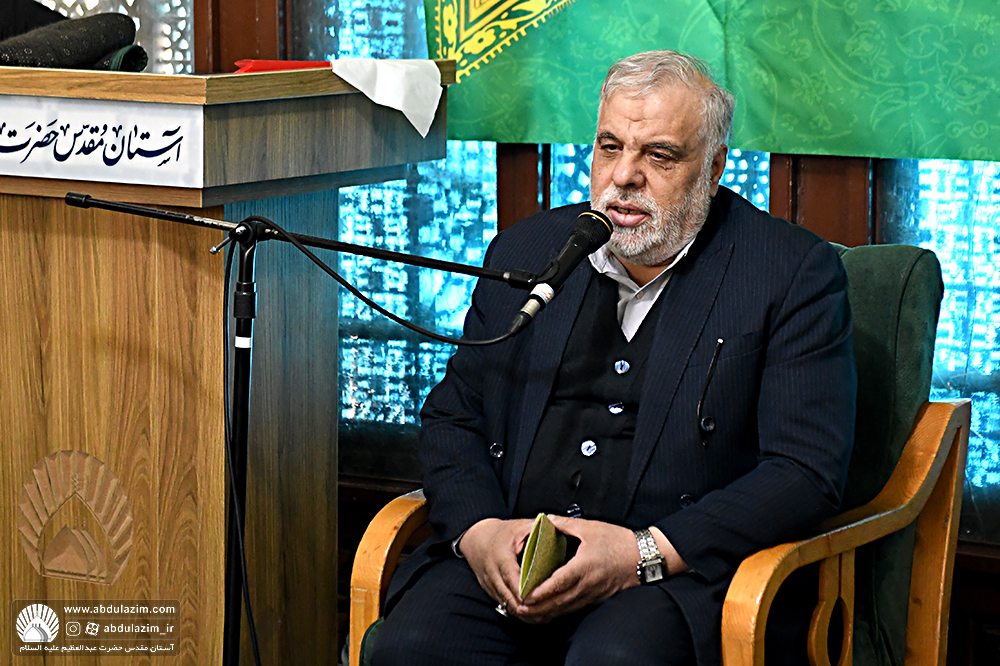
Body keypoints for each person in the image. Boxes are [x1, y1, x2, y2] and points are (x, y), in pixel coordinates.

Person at [370, 50, 856, 666]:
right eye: (609, 147)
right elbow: (454, 417)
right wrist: (479, 531)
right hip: (513, 558)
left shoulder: (790, 272)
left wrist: (642, 554)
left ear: (712, 169)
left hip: (678, 578)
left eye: (659, 155)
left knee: (615, 658)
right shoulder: (527, 250)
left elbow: (804, 471)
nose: (624, 176)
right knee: (412, 648)